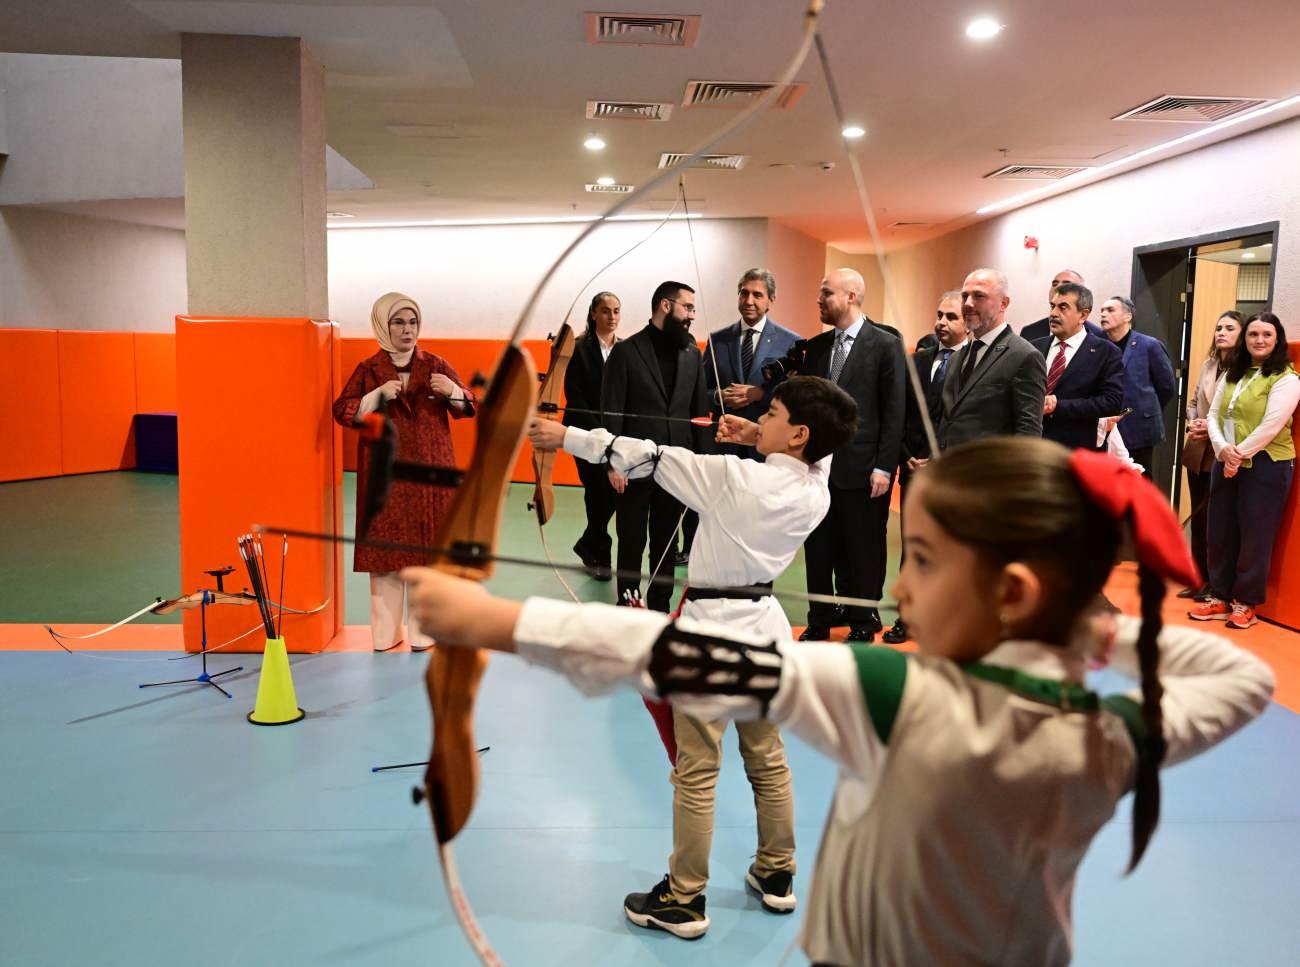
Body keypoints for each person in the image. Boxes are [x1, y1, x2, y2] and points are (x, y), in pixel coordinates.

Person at [400, 436, 1274, 967]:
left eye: (921, 559)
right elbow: (1244, 681)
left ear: (1010, 591)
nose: (899, 586)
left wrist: (495, 619)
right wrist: (1098, 631)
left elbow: (674, 656)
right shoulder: (1108, 734)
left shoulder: (900, 695)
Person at [526, 374, 857, 938]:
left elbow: (647, 455)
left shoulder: (731, 477)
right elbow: (816, 456)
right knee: (768, 759)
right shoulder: (815, 489)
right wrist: (758, 434)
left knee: (697, 771)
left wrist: (564, 437)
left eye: (771, 413)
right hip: (766, 634)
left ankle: (683, 899)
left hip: (710, 638)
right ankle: (777, 873)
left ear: (799, 434)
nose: (761, 419)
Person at [331, 292, 474, 651]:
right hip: (385, 474)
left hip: (430, 471)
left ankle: (426, 631)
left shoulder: (436, 365)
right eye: (398, 322)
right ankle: (387, 631)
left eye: (412, 322)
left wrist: (454, 390)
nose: (407, 330)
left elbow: (469, 407)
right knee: (386, 555)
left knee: (428, 552)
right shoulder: (368, 370)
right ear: (383, 325)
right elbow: (342, 411)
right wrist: (376, 396)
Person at [798, 268, 905, 643]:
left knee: (863, 549)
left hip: (863, 469)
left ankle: (863, 619)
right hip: (818, 469)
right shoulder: (817, 348)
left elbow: (894, 411)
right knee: (818, 549)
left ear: (850, 296)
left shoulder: (885, 345)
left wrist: (884, 467)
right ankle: (820, 618)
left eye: (826, 292)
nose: (819, 299)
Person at [601, 281, 711, 611]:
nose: (692, 315)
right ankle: (628, 603)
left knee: (666, 542)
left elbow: (699, 413)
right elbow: (611, 410)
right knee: (631, 539)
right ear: (666, 305)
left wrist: (700, 464)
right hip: (632, 465)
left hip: (675, 465)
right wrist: (613, 462)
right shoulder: (626, 352)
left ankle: (660, 606)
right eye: (687, 307)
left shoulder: (692, 353)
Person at [1191, 312, 1299, 630]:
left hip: (1267, 464)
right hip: (1226, 457)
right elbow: (1213, 415)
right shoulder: (1233, 373)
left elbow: (1271, 425)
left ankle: (1246, 603)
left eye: (1266, 335)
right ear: (1245, 339)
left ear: (1277, 340)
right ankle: (1220, 596)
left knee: (1255, 536)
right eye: (1253, 334)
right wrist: (1223, 448)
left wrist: (1237, 454)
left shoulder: (1287, 378)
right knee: (1219, 531)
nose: (1259, 340)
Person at [884, 290, 967, 645]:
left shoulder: (975, 364)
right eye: (939, 315)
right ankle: (907, 617)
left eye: (951, 317)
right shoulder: (915, 362)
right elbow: (898, 414)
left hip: (953, 472)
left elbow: (969, 421)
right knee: (913, 546)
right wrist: (906, 455)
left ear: (968, 323)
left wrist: (942, 456)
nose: (941, 322)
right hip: (913, 468)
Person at [938, 268, 1046, 448]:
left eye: (979, 296)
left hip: (991, 464)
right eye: (965, 296)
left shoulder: (1024, 356)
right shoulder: (956, 357)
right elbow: (949, 419)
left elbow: (1028, 434)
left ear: (1003, 303)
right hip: (950, 463)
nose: (968, 303)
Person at [701, 268, 801, 459]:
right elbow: (700, 391)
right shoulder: (717, 340)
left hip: (767, 447)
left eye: (757, 295)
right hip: (723, 444)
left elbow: (796, 400)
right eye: (744, 293)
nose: (749, 301)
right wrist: (718, 396)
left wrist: (760, 394)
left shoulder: (791, 342)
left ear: (771, 301)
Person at [1178, 311, 1243, 599]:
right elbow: (1193, 402)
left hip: (1223, 448)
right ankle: (1198, 578)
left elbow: (1239, 412)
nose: (1221, 333)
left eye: (1229, 328)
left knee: (1218, 520)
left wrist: (1211, 427)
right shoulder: (1209, 364)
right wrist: (1194, 422)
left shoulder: (1244, 370)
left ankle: (1218, 584)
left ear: (1241, 334)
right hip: (1197, 450)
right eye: (1218, 328)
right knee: (1199, 517)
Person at [564, 291, 621, 581]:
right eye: (606, 310)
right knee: (597, 491)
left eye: (616, 311)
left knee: (612, 495)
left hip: (616, 437)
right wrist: (599, 431)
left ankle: (588, 543)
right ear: (594, 313)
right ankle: (600, 555)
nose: (612, 317)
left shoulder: (626, 349)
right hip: (583, 433)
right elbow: (574, 397)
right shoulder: (577, 348)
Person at [1034, 282, 1124, 451]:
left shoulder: (1105, 352)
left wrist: (1059, 406)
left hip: (1074, 449)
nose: (1053, 313)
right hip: (1032, 444)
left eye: (1063, 307)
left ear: (1083, 315)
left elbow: (1111, 402)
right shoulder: (1034, 347)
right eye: (1052, 306)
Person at [1098, 295, 1177, 477]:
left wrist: (1145, 409)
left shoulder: (1149, 345)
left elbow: (1166, 387)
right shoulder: (1097, 345)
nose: (1103, 314)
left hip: (1138, 426)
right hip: (1105, 426)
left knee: (1139, 480)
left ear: (1128, 316)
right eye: (1102, 310)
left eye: (1110, 310)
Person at [1020, 269, 1105, 343]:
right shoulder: (1029, 332)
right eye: (1055, 284)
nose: (1058, 287)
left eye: (1067, 285)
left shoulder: (1100, 337)